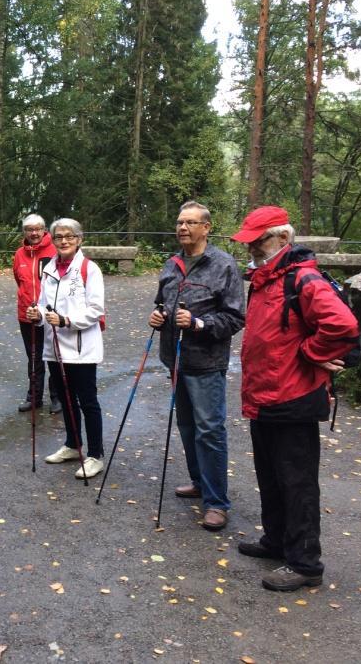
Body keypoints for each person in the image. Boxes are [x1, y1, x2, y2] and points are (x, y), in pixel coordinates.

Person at [232, 206, 359, 591]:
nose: (253, 246)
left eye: (260, 240)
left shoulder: (304, 279)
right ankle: (276, 541)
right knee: (269, 475)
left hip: (294, 394)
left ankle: (305, 563)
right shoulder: (265, 278)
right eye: (250, 240)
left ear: (283, 239)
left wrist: (312, 353)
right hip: (264, 393)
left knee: (297, 481)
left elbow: (343, 325)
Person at [148, 201, 245, 532]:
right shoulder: (171, 263)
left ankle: (216, 502)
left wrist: (199, 324)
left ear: (207, 227)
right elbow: (162, 303)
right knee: (187, 426)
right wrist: (158, 317)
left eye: (190, 223)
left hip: (206, 363)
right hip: (174, 360)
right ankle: (199, 482)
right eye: (179, 222)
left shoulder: (223, 265)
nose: (182, 228)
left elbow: (235, 317)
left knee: (210, 430)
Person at [26, 218, 105, 479]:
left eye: (69, 236)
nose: (64, 241)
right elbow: (42, 304)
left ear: (79, 239)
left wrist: (67, 321)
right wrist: (35, 314)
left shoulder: (89, 269)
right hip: (55, 347)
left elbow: (95, 310)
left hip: (81, 348)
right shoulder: (49, 268)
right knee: (66, 397)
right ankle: (73, 444)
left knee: (87, 401)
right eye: (59, 236)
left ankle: (95, 454)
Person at [12, 213, 61, 414]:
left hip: (51, 315)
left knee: (54, 356)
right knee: (34, 358)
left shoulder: (56, 250)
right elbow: (19, 279)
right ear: (24, 232)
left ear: (44, 230)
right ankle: (34, 397)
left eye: (37, 229)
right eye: (29, 229)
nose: (33, 233)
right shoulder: (19, 254)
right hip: (27, 315)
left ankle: (57, 397)